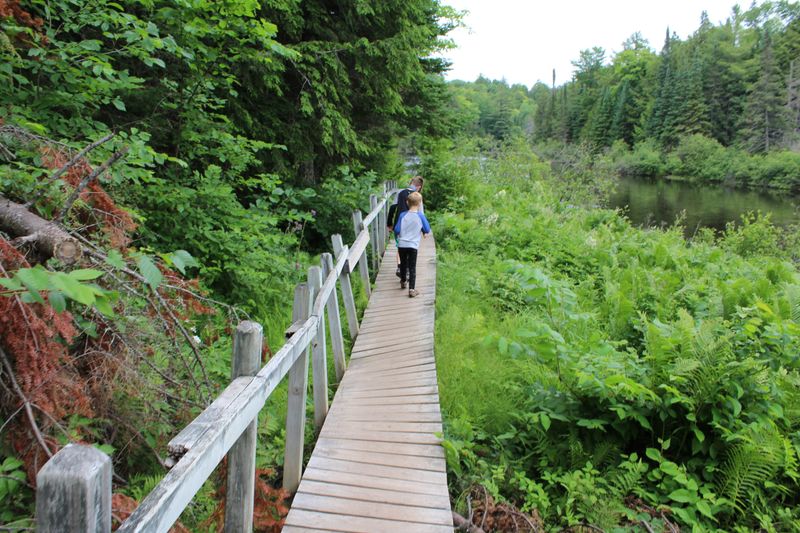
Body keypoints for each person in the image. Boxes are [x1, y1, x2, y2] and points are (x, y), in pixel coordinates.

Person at [393, 191, 430, 298]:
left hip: (402, 245)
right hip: (413, 245)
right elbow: (427, 229)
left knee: (403, 264)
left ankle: (403, 281)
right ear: (419, 203)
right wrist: (422, 230)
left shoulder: (402, 215)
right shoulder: (420, 216)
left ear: (407, 202)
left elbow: (397, 229)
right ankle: (412, 289)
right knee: (412, 267)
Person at [388, 176, 424, 277]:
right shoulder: (418, 196)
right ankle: (407, 269)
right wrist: (423, 229)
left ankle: (400, 267)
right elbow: (421, 214)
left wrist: (389, 224)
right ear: (419, 187)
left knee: (400, 245)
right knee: (410, 245)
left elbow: (392, 208)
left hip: (399, 224)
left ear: (411, 183)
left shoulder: (400, 192)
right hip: (413, 226)